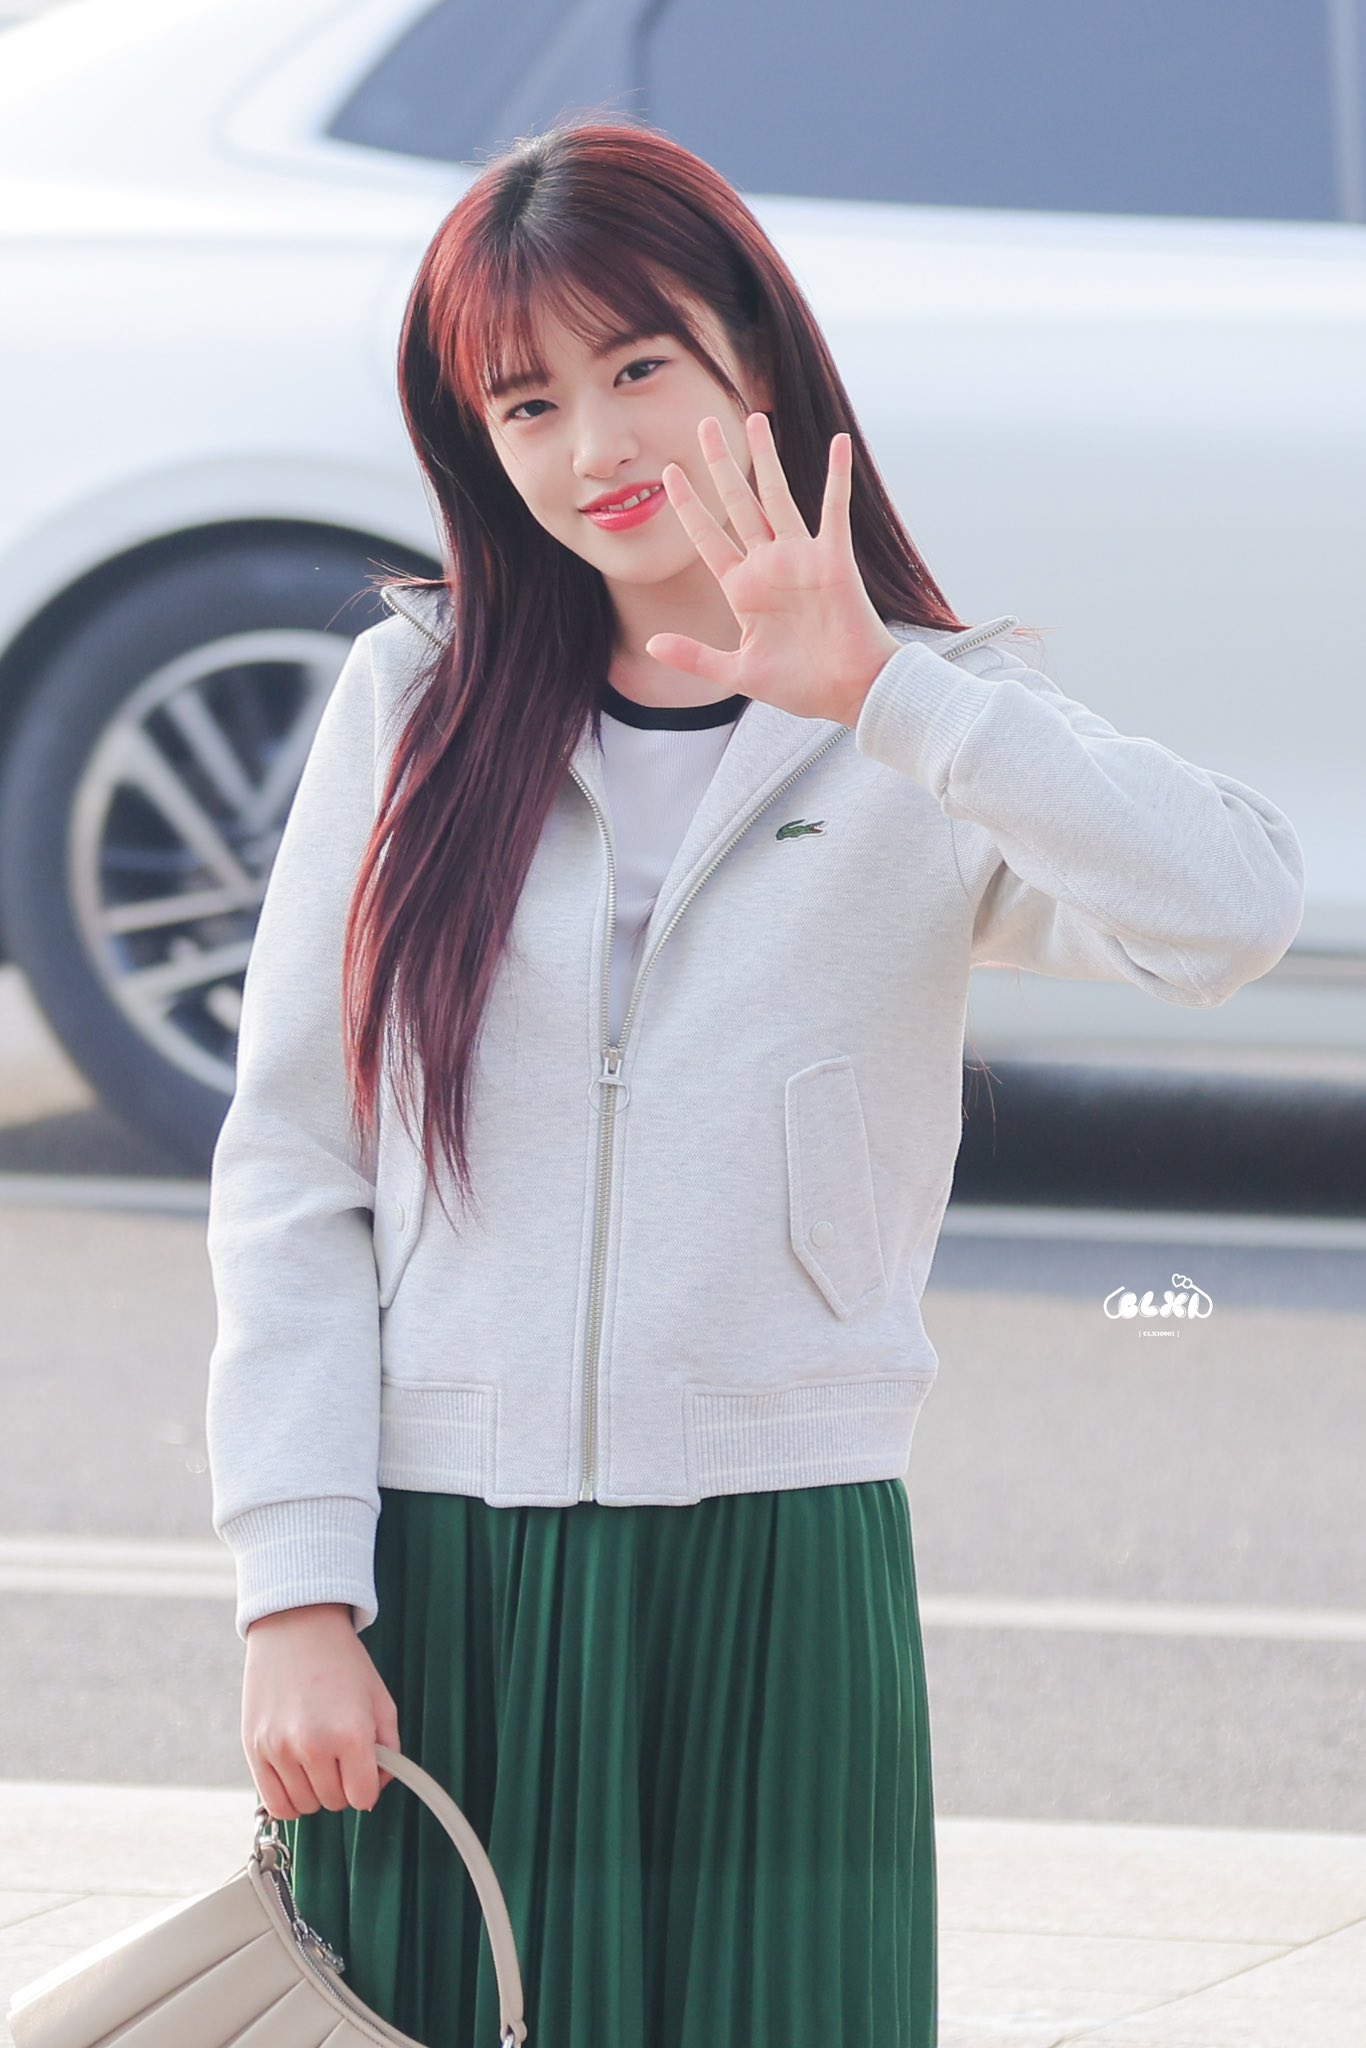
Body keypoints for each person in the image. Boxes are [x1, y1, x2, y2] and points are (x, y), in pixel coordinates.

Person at [203, 117, 1305, 2048]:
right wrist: (295, 1593)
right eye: (527, 403)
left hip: (780, 1556)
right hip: (439, 1565)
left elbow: (1230, 913)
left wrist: (887, 692)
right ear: (477, 446)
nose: (596, 445)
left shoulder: (926, 723)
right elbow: (297, 1164)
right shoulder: (412, 710)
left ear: (758, 363)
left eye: (640, 365)